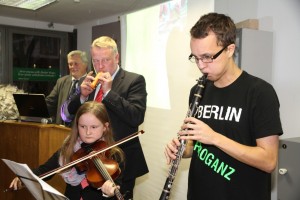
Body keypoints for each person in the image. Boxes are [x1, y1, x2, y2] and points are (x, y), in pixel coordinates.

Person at [164, 13, 283, 200]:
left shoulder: (260, 93)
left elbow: (269, 161)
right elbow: (193, 145)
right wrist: (183, 149)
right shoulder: (197, 90)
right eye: (195, 58)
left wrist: (214, 138)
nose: (201, 66)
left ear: (229, 50)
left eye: (207, 57)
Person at [61, 36, 148, 199]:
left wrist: (108, 93)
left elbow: (136, 116)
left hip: (121, 162)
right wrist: (81, 95)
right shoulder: (90, 80)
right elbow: (68, 114)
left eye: (105, 60)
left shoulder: (134, 80)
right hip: (91, 159)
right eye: (96, 61)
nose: (100, 66)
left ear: (117, 57)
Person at [10, 101, 125, 199]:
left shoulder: (114, 154)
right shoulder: (69, 150)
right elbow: (44, 171)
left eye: (94, 127)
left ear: (105, 127)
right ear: (77, 125)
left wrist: (109, 193)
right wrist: (24, 178)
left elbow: (118, 190)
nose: (88, 132)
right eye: (82, 126)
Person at [46, 50, 88, 125]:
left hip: (81, 130)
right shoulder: (61, 81)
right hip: (60, 130)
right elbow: (50, 103)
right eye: (70, 64)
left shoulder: (91, 82)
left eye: (76, 64)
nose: (72, 67)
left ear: (85, 64)